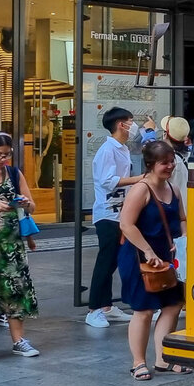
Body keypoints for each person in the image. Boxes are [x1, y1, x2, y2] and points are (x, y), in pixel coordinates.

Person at [117, 141, 189, 380]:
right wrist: (148, 252)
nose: (170, 166)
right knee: (144, 310)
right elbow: (126, 224)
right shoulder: (141, 189)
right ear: (150, 164)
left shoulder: (173, 189)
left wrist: (182, 240)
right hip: (140, 257)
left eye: (172, 161)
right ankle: (138, 362)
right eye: (164, 163)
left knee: (172, 305)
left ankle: (163, 358)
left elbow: (182, 219)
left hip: (167, 257)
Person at [85, 107, 146, 328]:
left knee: (113, 262)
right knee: (106, 262)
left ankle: (106, 306)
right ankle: (93, 309)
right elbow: (107, 181)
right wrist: (139, 179)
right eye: (131, 121)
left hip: (121, 213)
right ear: (121, 124)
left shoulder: (122, 149)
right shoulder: (107, 150)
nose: (133, 125)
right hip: (108, 214)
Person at [0, 133, 39, 356]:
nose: (2, 159)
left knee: (15, 290)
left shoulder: (14, 173)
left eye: (7, 154)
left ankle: (19, 341)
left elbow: (32, 206)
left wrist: (25, 204)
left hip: (10, 247)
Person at [161, 116, 191, 214]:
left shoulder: (168, 161)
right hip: (188, 211)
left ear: (165, 135)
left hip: (174, 213)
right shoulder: (190, 156)